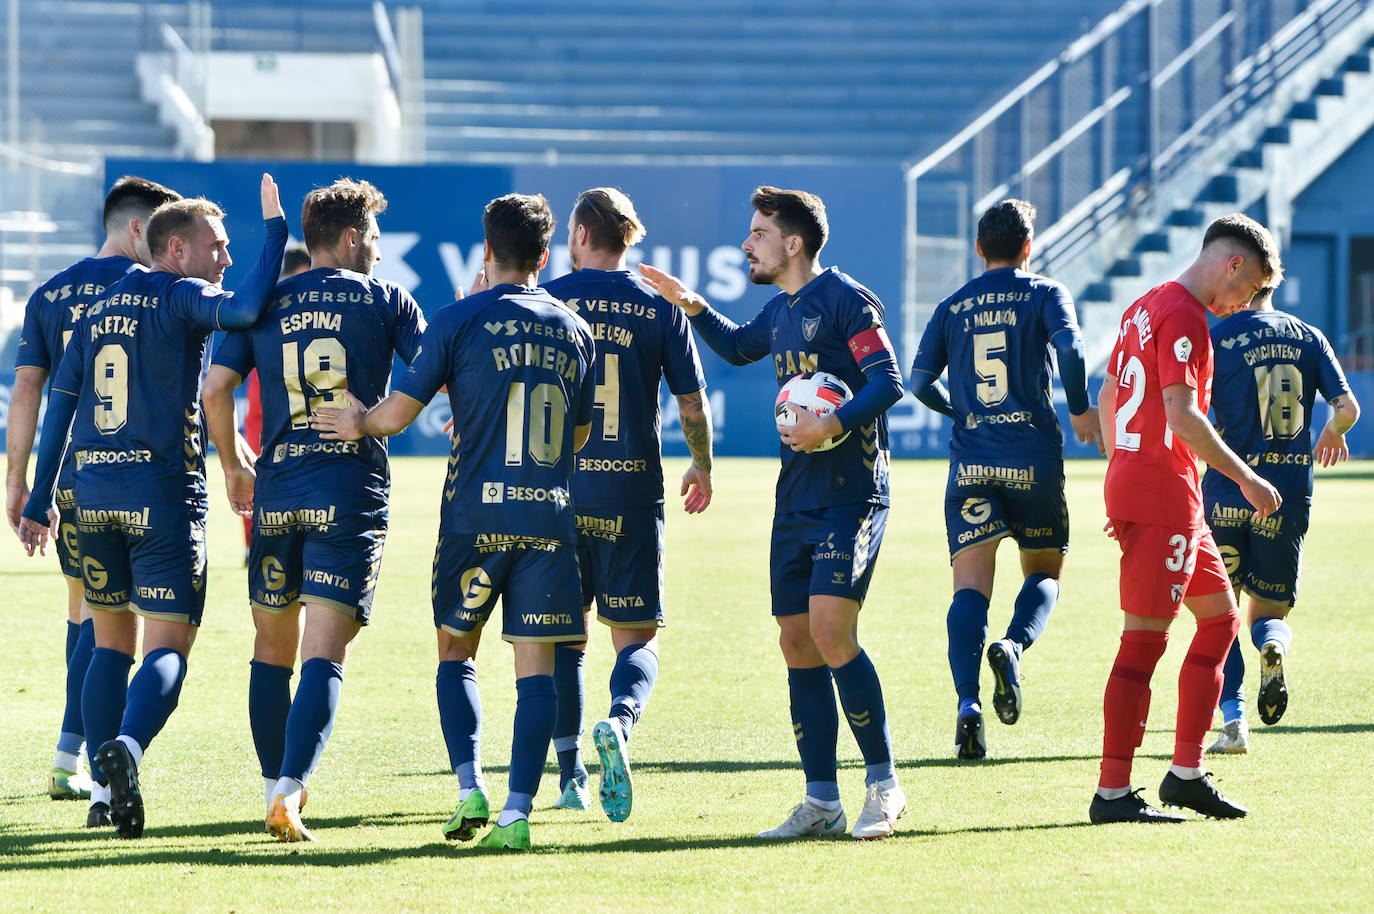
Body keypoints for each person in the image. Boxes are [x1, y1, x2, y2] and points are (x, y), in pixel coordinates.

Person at [311, 193, 596, 851]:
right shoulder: (573, 328)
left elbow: (399, 413)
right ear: (545, 257)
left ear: (486, 251)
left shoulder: (458, 318)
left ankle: (470, 787)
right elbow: (577, 435)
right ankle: (518, 815)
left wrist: (359, 420)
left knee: (454, 652)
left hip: (474, 517)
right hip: (547, 520)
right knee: (537, 670)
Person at [18, 175, 288, 838]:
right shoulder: (181, 293)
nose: (225, 257)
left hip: (93, 500)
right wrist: (277, 232)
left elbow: (60, 407)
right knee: (169, 641)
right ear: (176, 249)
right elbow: (249, 307)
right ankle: (128, 749)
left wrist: (37, 496)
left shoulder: (93, 313)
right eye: (216, 246)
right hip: (162, 497)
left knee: (109, 643)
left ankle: (105, 797)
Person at [639, 185, 907, 840]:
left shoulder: (847, 299)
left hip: (852, 494)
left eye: (758, 233)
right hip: (796, 499)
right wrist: (691, 305)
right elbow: (735, 347)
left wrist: (831, 425)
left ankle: (883, 785)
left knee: (830, 632)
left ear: (793, 243)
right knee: (795, 641)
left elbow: (888, 383)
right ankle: (821, 800)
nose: (746, 243)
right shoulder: (781, 310)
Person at [203, 179, 425, 841]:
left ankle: (276, 785)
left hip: (276, 493)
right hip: (348, 493)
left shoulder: (270, 300)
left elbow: (215, 390)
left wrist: (235, 465)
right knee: (324, 650)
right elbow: (431, 378)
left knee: (271, 648)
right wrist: (369, 423)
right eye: (376, 241)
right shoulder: (387, 300)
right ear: (353, 238)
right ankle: (291, 793)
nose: (380, 255)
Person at [1089, 213, 1283, 824]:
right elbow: (1182, 418)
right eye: (1247, 290)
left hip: (1162, 492)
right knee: (1143, 643)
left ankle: (1185, 773)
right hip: (1162, 495)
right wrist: (1246, 477)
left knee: (1221, 623)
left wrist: (1125, 471)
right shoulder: (1185, 318)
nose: (1240, 305)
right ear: (1232, 266)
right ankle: (1112, 793)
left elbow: (1109, 395)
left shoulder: (1144, 305)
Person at [537, 187, 714, 821]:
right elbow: (692, 405)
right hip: (633, 492)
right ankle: (620, 720)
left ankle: (571, 777)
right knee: (635, 638)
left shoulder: (552, 299)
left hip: (558, 493)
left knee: (562, 640)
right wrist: (703, 463)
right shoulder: (659, 309)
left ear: (581, 236)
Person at [6, 176, 181, 804]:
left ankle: (69, 756)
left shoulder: (51, 294)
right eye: (163, 232)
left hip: (73, 480)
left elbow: (29, 389)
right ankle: (80, 757)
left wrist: (20, 483)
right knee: (128, 627)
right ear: (138, 229)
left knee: (87, 612)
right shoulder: (158, 285)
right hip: (140, 475)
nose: (170, 246)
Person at [910, 199, 1103, 759]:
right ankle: (1014, 646)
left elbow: (919, 383)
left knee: (969, 587)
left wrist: (962, 412)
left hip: (971, 462)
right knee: (1044, 571)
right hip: (1033, 459)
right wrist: (1081, 407)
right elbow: (1069, 346)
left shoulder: (951, 306)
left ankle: (968, 704)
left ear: (978, 248)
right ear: (1028, 247)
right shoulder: (1045, 293)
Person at [1202, 286, 1360, 753]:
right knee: (1267, 613)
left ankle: (1233, 723)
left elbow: (1191, 411)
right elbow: (1348, 408)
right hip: (1287, 495)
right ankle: (1274, 647)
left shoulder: (1220, 336)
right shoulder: (1310, 337)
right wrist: (1332, 431)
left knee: (1220, 615)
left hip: (1228, 491)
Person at [239, 244, 312, 559]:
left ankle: (259, 543)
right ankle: (260, 542)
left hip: (270, 393)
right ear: (301, 270)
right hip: (274, 394)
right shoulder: (282, 298)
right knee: (261, 468)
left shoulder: (265, 299)